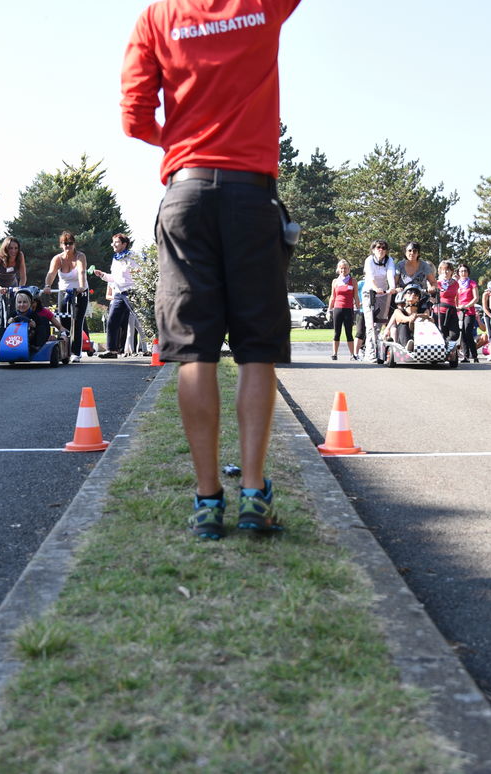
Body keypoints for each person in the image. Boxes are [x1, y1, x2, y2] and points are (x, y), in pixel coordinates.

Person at [121, 0, 301, 539]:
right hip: (251, 195)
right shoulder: (259, 6)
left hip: (186, 193)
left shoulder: (157, 17)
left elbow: (133, 116)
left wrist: (178, 141)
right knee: (256, 347)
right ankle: (253, 494)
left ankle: (206, 501)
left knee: (194, 350)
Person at [43, 231, 89, 362]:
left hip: (80, 291)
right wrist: (47, 285)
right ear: (61, 245)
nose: (68, 246)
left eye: (70, 243)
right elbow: (51, 273)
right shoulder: (58, 259)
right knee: (64, 322)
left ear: (74, 244)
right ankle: (65, 350)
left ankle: (76, 352)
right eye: (65, 244)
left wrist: (80, 286)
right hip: (64, 292)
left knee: (77, 321)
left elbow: (81, 272)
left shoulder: (80, 256)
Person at [93, 234, 140, 359]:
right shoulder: (116, 258)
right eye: (112, 242)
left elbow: (140, 273)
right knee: (112, 321)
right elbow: (114, 278)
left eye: (116, 242)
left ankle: (159, 347)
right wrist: (102, 275)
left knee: (142, 321)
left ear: (124, 244)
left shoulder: (133, 256)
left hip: (131, 292)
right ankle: (112, 350)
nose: (113, 244)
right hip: (118, 293)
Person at [362, 239, 396, 363]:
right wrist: (376, 288)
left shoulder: (389, 260)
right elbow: (370, 276)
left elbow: (390, 273)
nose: (380, 250)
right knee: (370, 325)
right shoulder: (369, 260)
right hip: (369, 293)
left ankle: (377, 351)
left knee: (379, 325)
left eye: (383, 248)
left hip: (383, 294)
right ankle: (370, 354)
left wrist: (392, 287)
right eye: (378, 247)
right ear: (373, 249)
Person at [0, 236, 26, 341]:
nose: (13, 251)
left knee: (12, 314)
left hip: (12, 286)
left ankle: (11, 339)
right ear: (5, 248)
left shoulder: (20, 256)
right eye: (10, 248)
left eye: (16, 248)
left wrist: (20, 288)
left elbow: (23, 277)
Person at [328, 259, 358, 361]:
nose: (343, 270)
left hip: (348, 309)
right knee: (337, 332)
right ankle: (334, 354)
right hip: (337, 309)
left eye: (345, 268)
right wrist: (329, 309)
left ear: (348, 269)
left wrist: (358, 308)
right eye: (341, 268)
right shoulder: (335, 281)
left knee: (349, 332)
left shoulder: (353, 281)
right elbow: (332, 296)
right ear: (338, 269)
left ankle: (352, 354)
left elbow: (356, 297)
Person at [456, 263, 480, 363]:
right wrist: (456, 307)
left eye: (465, 271)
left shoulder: (472, 283)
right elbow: (454, 297)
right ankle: (465, 356)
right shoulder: (456, 284)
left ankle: (474, 355)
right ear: (458, 272)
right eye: (461, 271)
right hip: (459, 311)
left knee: (467, 332)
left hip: (469, 311)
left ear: (468, 272)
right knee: (462, 333)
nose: (463, 273)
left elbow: (476, 298)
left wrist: (467, 305)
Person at [434, 261, 461, 347]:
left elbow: (457, 296)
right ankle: (442, 351)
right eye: (443, 270)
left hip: (452, 310)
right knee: (441, 333)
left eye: (448, 270)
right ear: (440, 271)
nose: (445, 272)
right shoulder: (437, 283)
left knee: (454, 334)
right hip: (439, 311)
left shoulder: (455, 283)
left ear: (452, 271)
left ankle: (447, 346)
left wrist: (458, 307)